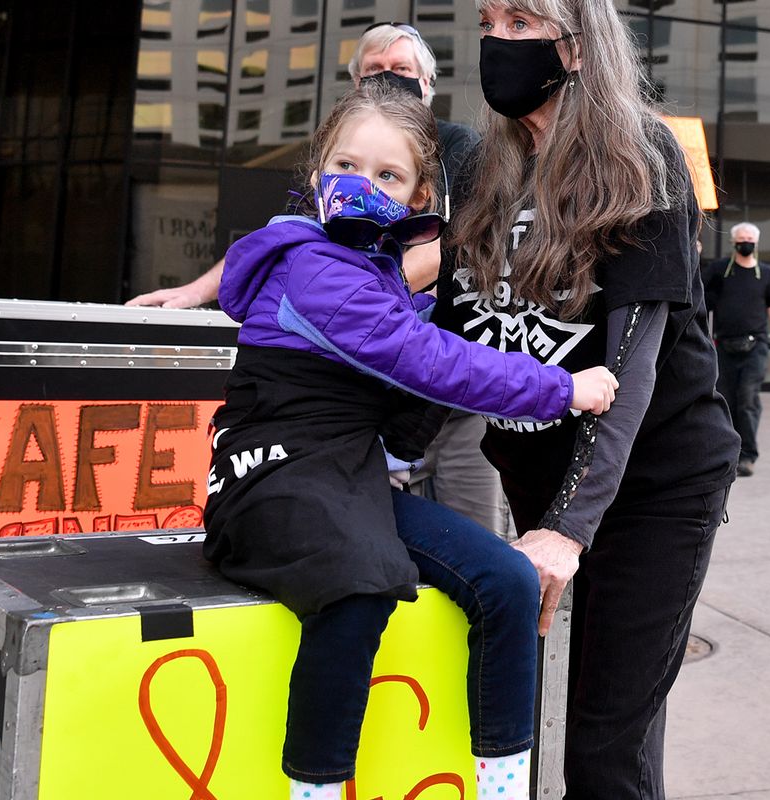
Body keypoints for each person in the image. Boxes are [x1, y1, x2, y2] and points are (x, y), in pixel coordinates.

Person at [202, 85, 619, 800]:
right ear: (316, 175)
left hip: (347, 478)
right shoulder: (316, 268)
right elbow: (429, 361)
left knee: (507, 581)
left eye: (388, 175)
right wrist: (562, 387)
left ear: (421, 194)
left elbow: (422, 364)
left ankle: (502, 785)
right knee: (359, 582)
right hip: (268, 480)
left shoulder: (380, 275)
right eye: (346, 165)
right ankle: (317, 787)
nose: (362, 186)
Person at [433, 1, 740, 796]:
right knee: (512, 728)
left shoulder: (642, 155)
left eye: (521, 21)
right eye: (489, 19)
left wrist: (568, 528)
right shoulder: (479, 171)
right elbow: (438, 340)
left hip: (653, 485)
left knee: (605, 744)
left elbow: (630, 368)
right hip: (536, 479)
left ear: (574, 45)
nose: (498, 39)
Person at [128, 23, 512, 537]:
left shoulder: (460, 149)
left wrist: (360, 288)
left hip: (450, 382)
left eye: (402, 70)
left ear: (427, 85)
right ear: (355, 84)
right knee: (376, 538)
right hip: (375, 389)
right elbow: (290, 237)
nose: (388, 79)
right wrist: (196, 292)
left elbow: (452, 248)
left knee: (477, 540)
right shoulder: (341, 167)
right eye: (375, 70)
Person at [702, 222, 770, 476]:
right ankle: (729, 453)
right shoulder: (720, 270)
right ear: (733, 242)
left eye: (750, 238)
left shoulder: (766, 273)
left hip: (757, 346)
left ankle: (748, 455)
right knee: (726, 399)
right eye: (741, 238)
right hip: (725, 345)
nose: (745, 242)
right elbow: (697, 293)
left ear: (756, 243)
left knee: (747, 398)